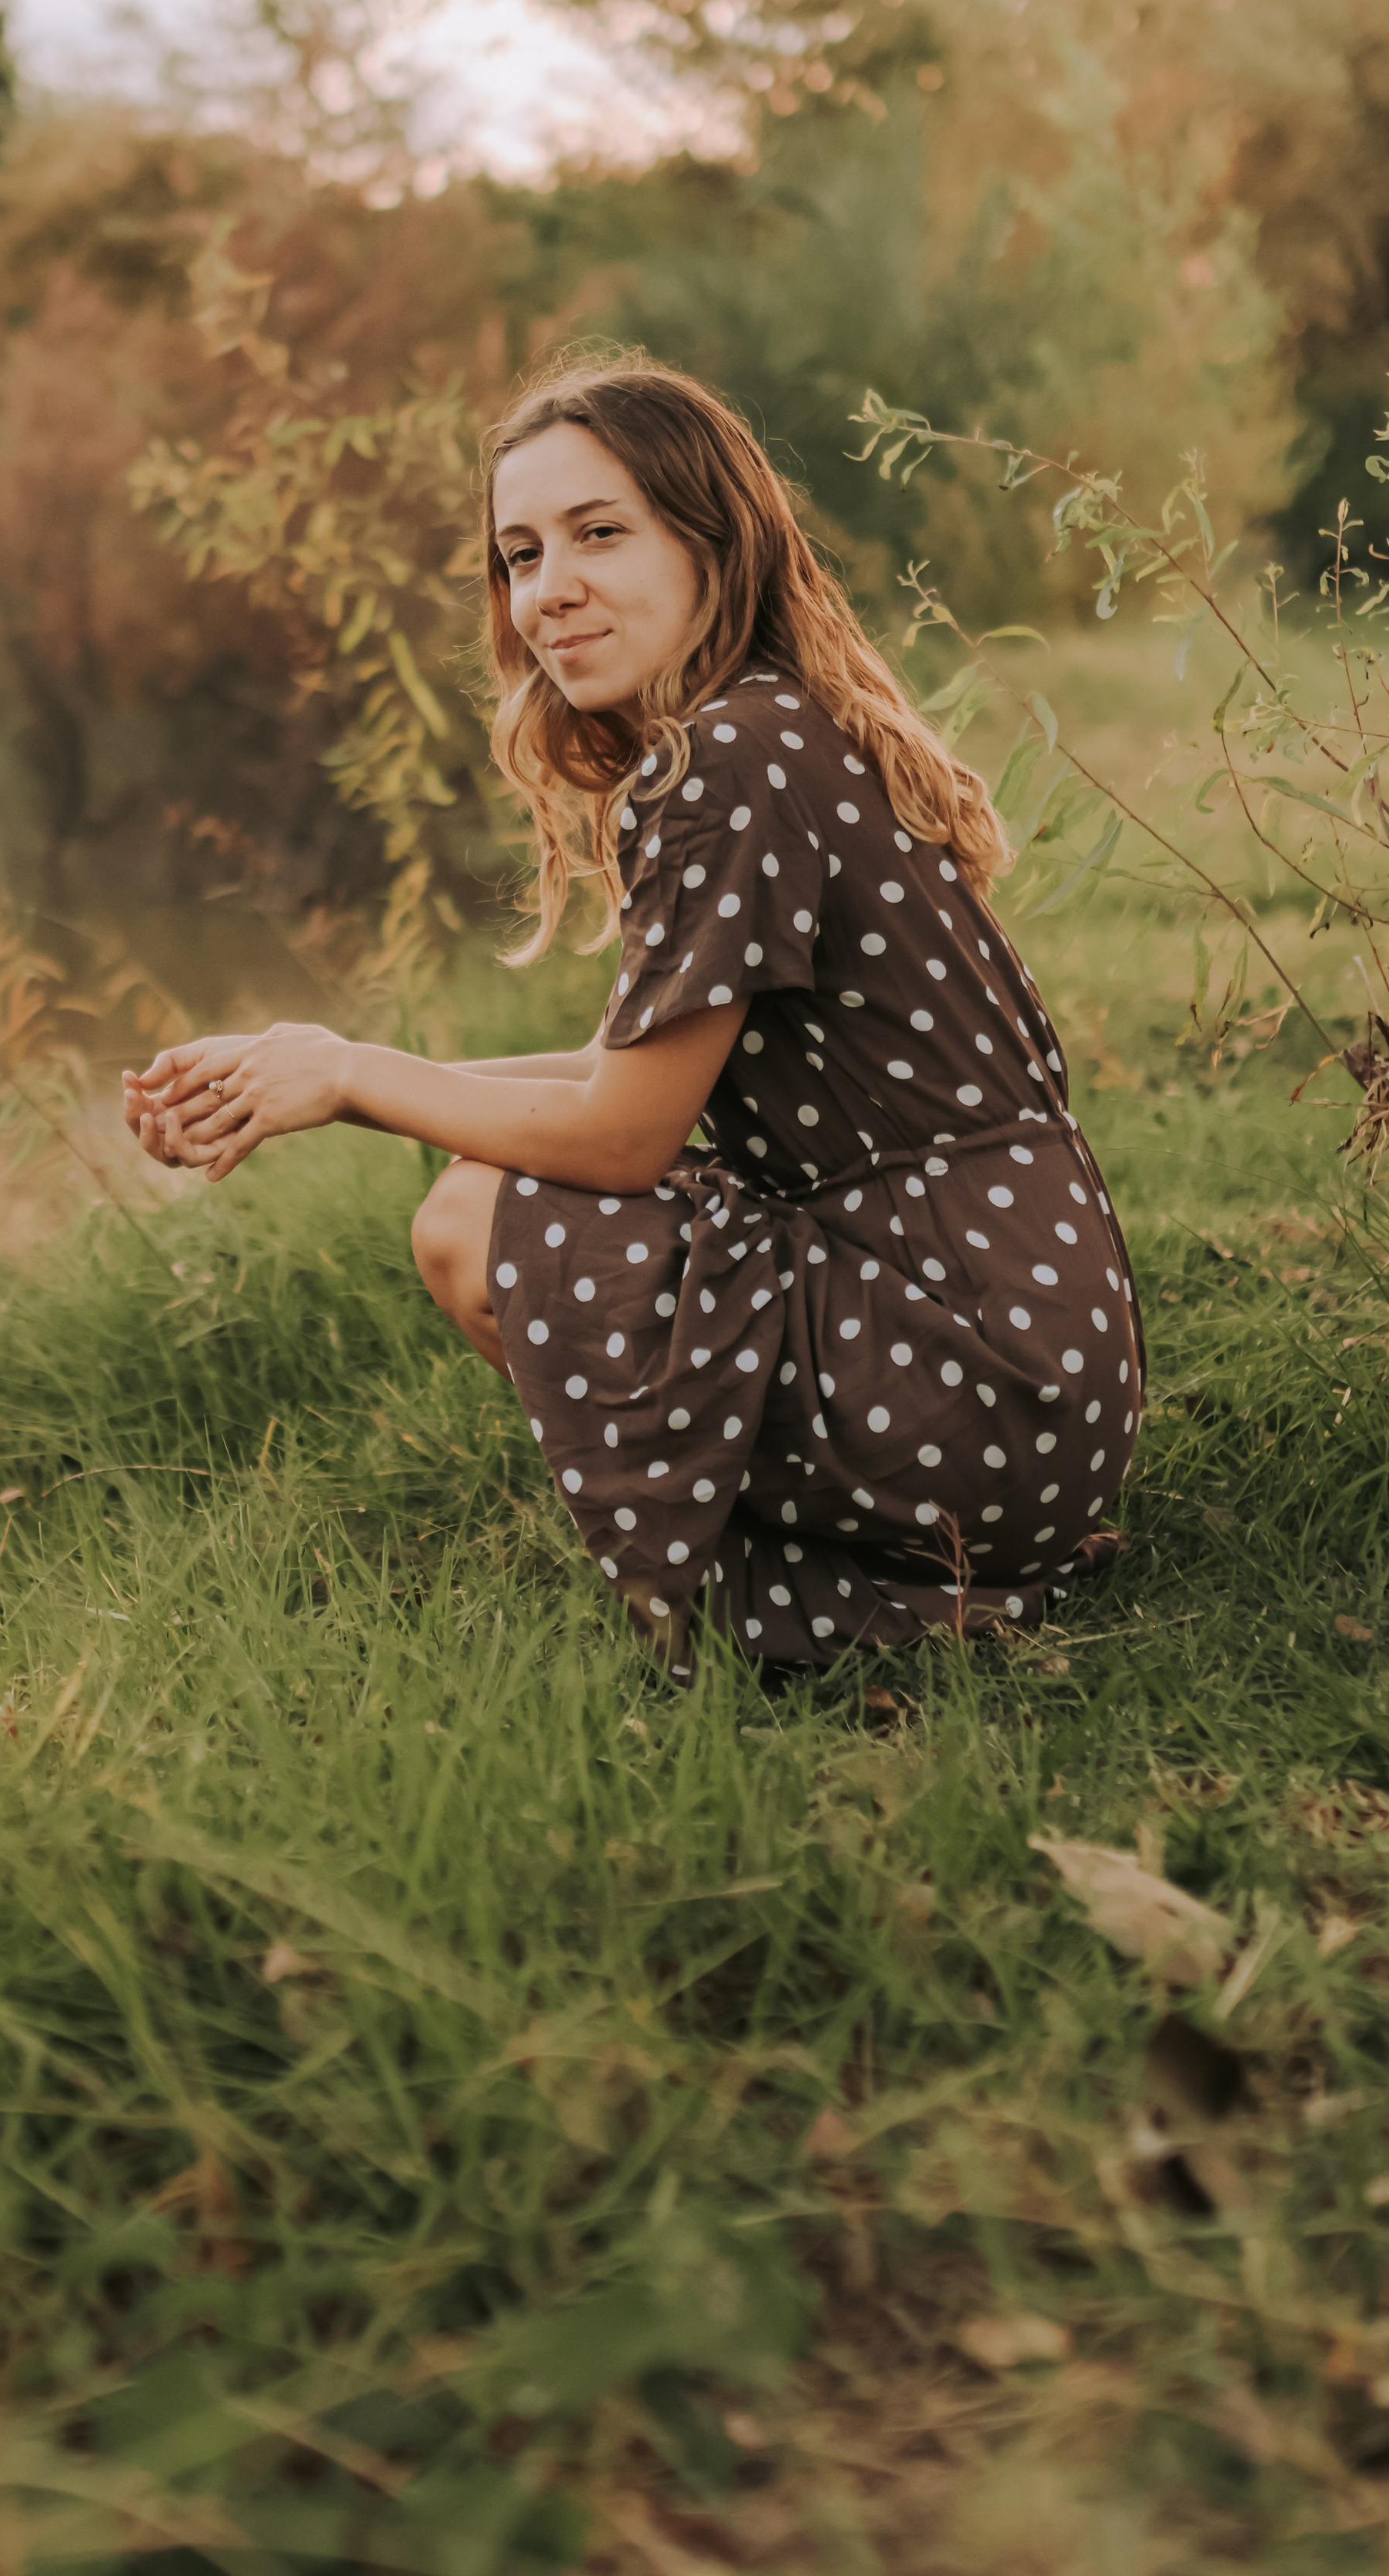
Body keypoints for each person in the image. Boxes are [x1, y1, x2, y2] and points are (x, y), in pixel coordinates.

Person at [123, 356, 1143, 1679]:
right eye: (519, 553)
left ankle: (847, 1596)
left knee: (470, 1221)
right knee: (491, 1172)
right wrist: (309, 1068)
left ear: (712, 540)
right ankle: (901, 1563)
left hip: (969, 1353)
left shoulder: (728, 761)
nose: (550, 590)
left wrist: (354, 1073)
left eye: (601, 533)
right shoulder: (790, 724)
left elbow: (620, 1137)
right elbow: (641, 1069)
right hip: (1037, 1365)